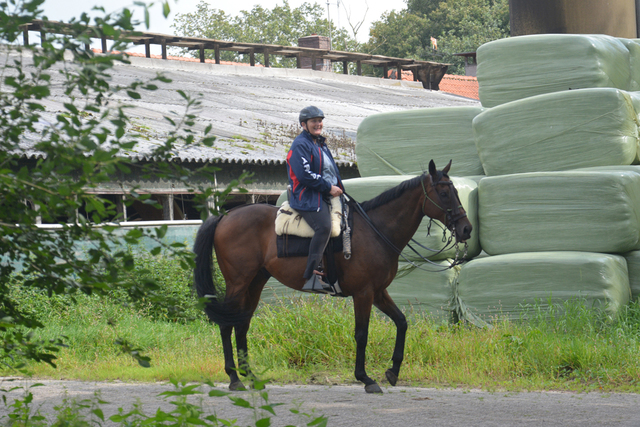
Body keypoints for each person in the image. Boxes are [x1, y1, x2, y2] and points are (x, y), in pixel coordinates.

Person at [286, 106, 344, 293]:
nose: (318, 124)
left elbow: (329, 171)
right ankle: (311, 274)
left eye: (320, 120)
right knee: (324, 227)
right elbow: (304, 175)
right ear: (304, 124)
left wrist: (339, 188)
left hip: (323, 194)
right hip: (306, 197)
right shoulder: (300, 145)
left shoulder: (320, 143)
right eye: (313, 121)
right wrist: (328, 187)